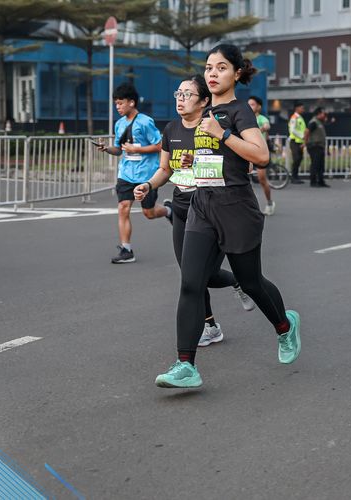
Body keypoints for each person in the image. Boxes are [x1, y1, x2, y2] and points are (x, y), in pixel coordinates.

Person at [153, 44, 300, 389]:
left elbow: (261, 156)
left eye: (221, 67)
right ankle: (186, 365)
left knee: (251, 282)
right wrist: (192, 160)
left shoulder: (239, 112)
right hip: (202, 206)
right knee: (191, 283)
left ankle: (284, 326)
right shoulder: (203, 114)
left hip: (236, 209)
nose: (213, 73)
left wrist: (223, 134)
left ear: (236, 73)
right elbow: (212, 158)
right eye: (209, 68)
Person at [133, 75, 255, 347]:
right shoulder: (171, 129)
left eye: (187, 95)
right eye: (178, 94)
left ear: (203, 101)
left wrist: (198, 160)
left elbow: (241, 164)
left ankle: (238, 281)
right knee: (190, 278)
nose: (180, 99)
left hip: (212, 209)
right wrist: (148, 185)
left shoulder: (214, 127)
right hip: (181, 208)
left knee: (205, 274)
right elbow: (165, 169)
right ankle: (209, 326)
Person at [97, 82, 171, 264]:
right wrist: (107, 149)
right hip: (126, 174)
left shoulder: (145, 122)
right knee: (123, 207)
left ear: (131, 102)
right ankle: (126, 250)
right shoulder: (119, 124)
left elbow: (160, 145)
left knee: (149, 213)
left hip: (147, 176)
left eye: (120, 103)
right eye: (116, 104)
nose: (117, 107)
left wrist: (137, 149)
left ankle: (169, 210)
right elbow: (119, 150)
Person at [247, 95, 275, 214]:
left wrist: (261, 129)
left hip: (259, 153)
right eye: (248, 104)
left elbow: (267, 125)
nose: (249, 106)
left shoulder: (262, 118)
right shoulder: (245, 118)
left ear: (259, 107)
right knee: (244, 180)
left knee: (262, 179)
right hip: (247, 152)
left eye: (252, 104)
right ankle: (250, 206)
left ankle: (269, 203)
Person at [305, 107, 329, 188]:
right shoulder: (314, 122)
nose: (324, 115)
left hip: (320, 146)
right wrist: (305, 142)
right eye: (323, 113)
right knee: (315, 164)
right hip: (314, 146)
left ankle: (321, 181)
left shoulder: (319, 122)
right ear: (318, 114)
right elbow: (307, 131)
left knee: (321, 165)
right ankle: (313, 181)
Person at [288, 101, 306, 184]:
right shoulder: (294, 117)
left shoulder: (300, 117)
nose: (303, 109)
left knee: (299, 159)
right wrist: (302, 136)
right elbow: (292, 130)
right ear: (297, 108)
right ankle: (293, 177)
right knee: (296, 159)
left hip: (299, 142)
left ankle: (296, 176)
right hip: (294, 141)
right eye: (302, 108)